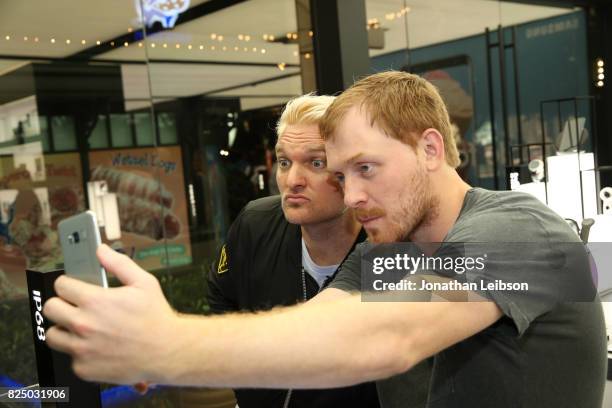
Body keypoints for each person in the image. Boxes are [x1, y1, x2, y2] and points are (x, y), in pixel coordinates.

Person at [43, 71, 607, 408]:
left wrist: (166, 342)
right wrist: (165, 354)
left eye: (366, 168)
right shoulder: (386, 253)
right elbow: (316, 333)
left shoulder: (522, 231)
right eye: (341, 175)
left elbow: (384, 339)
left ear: (431, 150)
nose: (353, 194)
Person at [206, 94, 385, 407]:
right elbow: (222, 294)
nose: (292, 181)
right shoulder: (255, 225)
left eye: (316, 163)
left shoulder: (389, 245)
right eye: (284, 162)